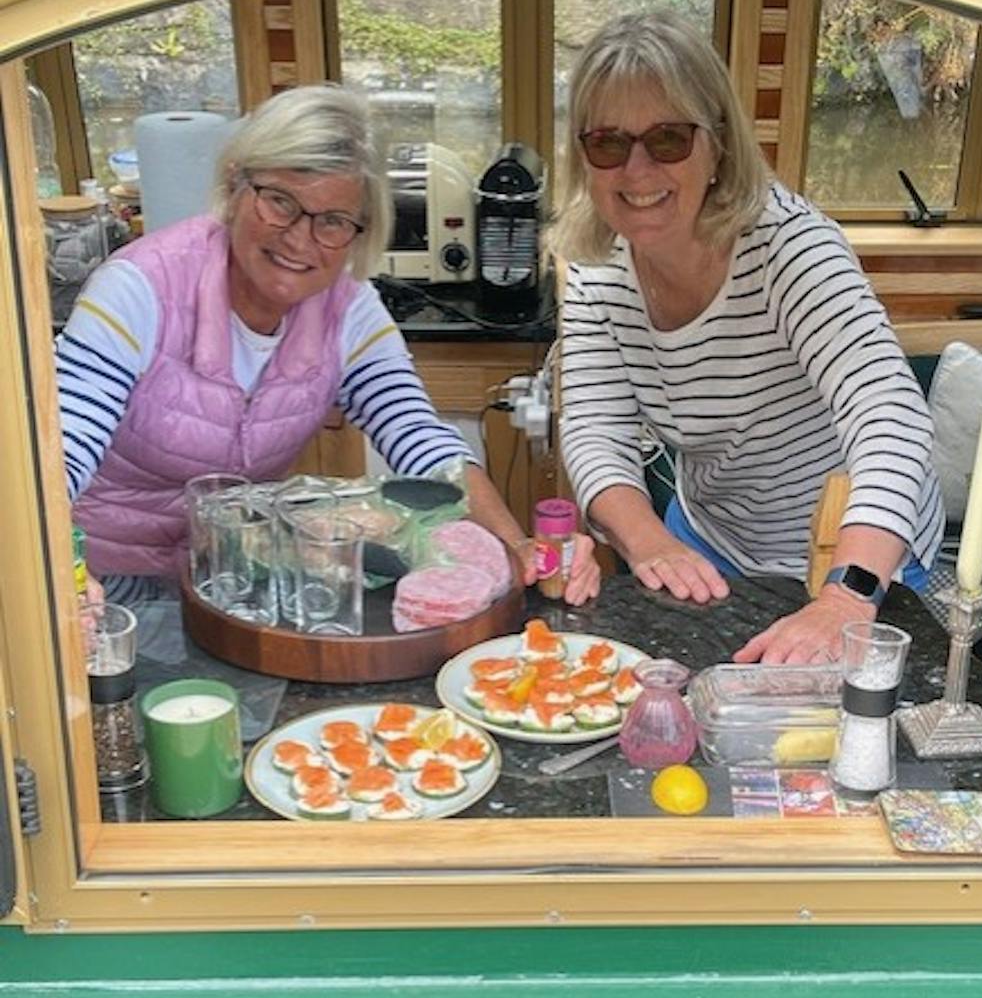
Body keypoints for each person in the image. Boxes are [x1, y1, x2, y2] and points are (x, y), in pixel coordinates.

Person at [57, 83, 599, 609]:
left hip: (235, 576)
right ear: (234, 184)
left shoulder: (346, 305)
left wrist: (513, 547)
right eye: (280, 202)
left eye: (333, 222)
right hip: (107, 582)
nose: (299, 239)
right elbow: (60, 453)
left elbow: (415, 433)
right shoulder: (138, 289)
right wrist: (60, 579)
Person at [552, 11, 944, 663]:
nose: (638, 170)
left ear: (719, 144)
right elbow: (596, 429)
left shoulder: (792, 250)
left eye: (669, 139)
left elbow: (890, 418)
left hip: (855, 555)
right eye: (608, 144)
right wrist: (648, 541)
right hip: (709, 539)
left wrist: (847, 595)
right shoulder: (595, 264)